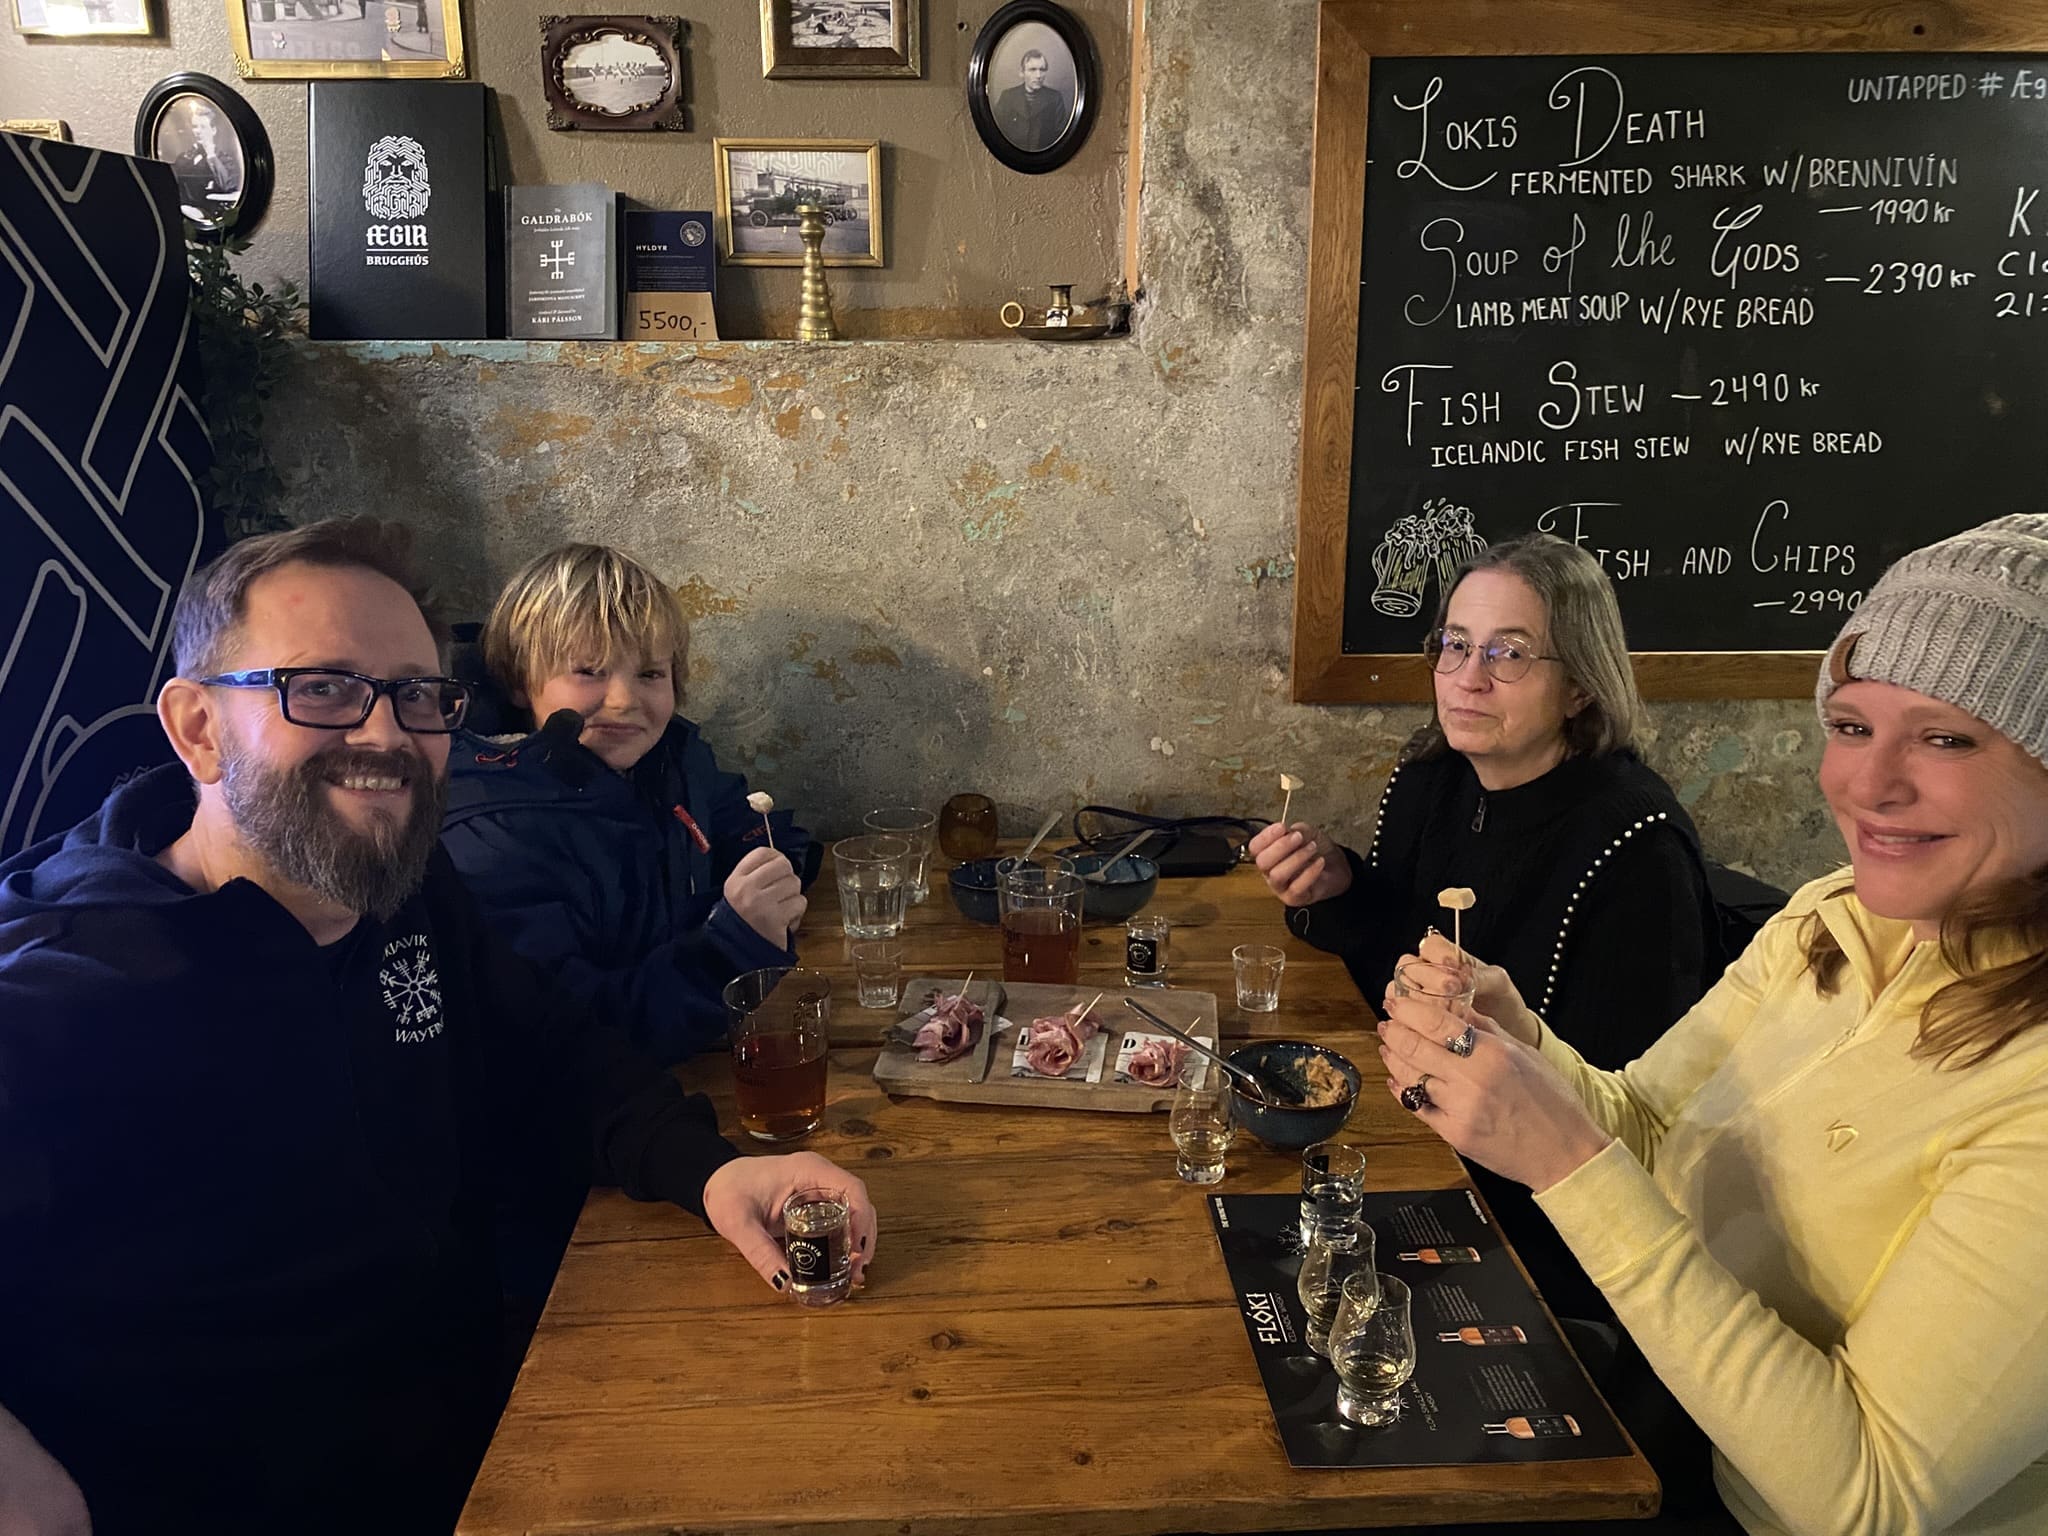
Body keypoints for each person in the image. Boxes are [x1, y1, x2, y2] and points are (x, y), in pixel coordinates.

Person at [0, 519, 875, 1536]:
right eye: (323, 689)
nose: (385, 736)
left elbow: (547, 1051)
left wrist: (712, 1172)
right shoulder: (69, 987)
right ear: (198, 727)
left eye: (416, 696)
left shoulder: (403, 889)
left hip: (483, 1443)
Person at [1380, 514, 2048, 1536]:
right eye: (1851, 726)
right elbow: (1647, 1123)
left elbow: (1866, 1500)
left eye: (1947, 737)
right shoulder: (1833, 916)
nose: (1867, 784)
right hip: (1662, 1409)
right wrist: (1527, 1042)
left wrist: (1561, 1158)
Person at [1250, 533, 1723, 1317]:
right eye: (1456, 645)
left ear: (1580, 686)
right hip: (1406, 1120)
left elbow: (1626, 1110)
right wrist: (1336, 887)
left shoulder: (1637, 851)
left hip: (1523, 1222)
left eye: (1510, 653)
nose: (1469, 679)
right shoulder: (1433, 774)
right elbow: (1394, 944)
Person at [441, 543, 811, 1066]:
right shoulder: (493, 835)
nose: (623, 700)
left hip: (695, 1050)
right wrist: (730, 948)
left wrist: (772, 884)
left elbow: (754, 830)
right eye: (589, 670)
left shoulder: (667, 760)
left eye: (650, 674)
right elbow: (571, 1040)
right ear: (521, 681)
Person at [994, 46, 1069, 153]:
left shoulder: (1055, 98)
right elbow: (998, 132)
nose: (1038, 75)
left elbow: (1060, 136)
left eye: (1042, 70)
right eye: (1032, 70)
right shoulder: (1007, 97)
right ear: (1022, 72)